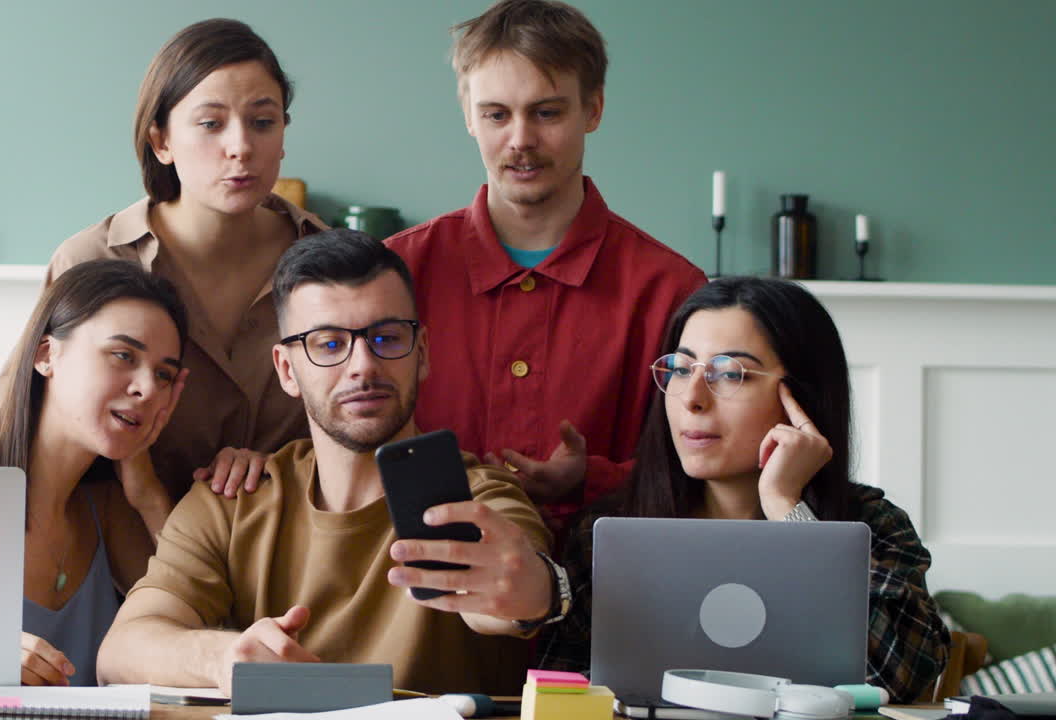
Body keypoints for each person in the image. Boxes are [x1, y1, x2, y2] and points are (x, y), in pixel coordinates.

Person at [96, 230, 565, 696]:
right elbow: (121, 652)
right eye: (328, 344)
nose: (363, 364)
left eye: (386, 337)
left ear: (421, 353)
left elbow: (505, 599)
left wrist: (531, 592)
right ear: (286, 370)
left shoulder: (480, 497)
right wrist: (225, 658)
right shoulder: (232, 502)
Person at [538, 276, 951, 703]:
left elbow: (901, 675)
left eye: (729, 373)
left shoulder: (873, 524)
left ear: (801, 396)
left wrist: (787, 510)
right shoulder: (612, 530)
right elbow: (561, 694)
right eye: (681, 369)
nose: (692, 398)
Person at [385, 0, 707, 540]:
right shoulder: (396, 271)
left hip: (605, 595)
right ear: (468, 115)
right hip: (419, 591)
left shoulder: (673, 290)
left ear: (594, 110)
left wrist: (590, 478)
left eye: (547, 112)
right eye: (496, 114)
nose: (520, 140)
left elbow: (702, 474)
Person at [0, 18, 327, 502]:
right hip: (119, 547)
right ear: (161, 141)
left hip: (284, 552)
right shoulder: (92, 258)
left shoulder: (326, 263)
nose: (240, 147)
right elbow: (20, 422)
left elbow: (362, 427)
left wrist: (284, 466)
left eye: (262, 122)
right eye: (211, 123)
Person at [0, 259, 189, 686]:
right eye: (122, 355)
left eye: (164, 374)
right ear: (46, 355)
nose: (147, 388)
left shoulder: (115, 513)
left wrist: (148, 495)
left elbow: (192, 634)